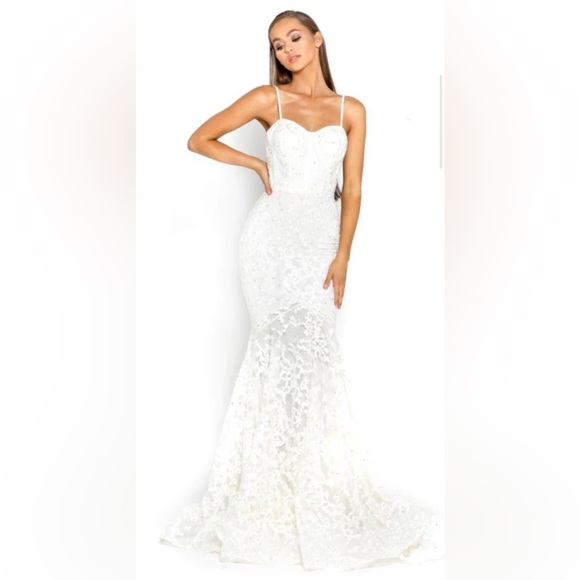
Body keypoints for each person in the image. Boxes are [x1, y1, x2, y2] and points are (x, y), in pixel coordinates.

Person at [159, 9, 444, 571]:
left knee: (312, 357)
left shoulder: (351, 110)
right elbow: (198, 139)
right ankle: (263, 496)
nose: (287, 49)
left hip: (319, 243)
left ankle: (309, 487)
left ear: (317, 39)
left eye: (294, 38)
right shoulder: (268, 99)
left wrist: (343, 256)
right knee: (272, 351)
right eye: (277, 44)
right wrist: (254, 164)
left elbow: (353, 188)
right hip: (269, 243)